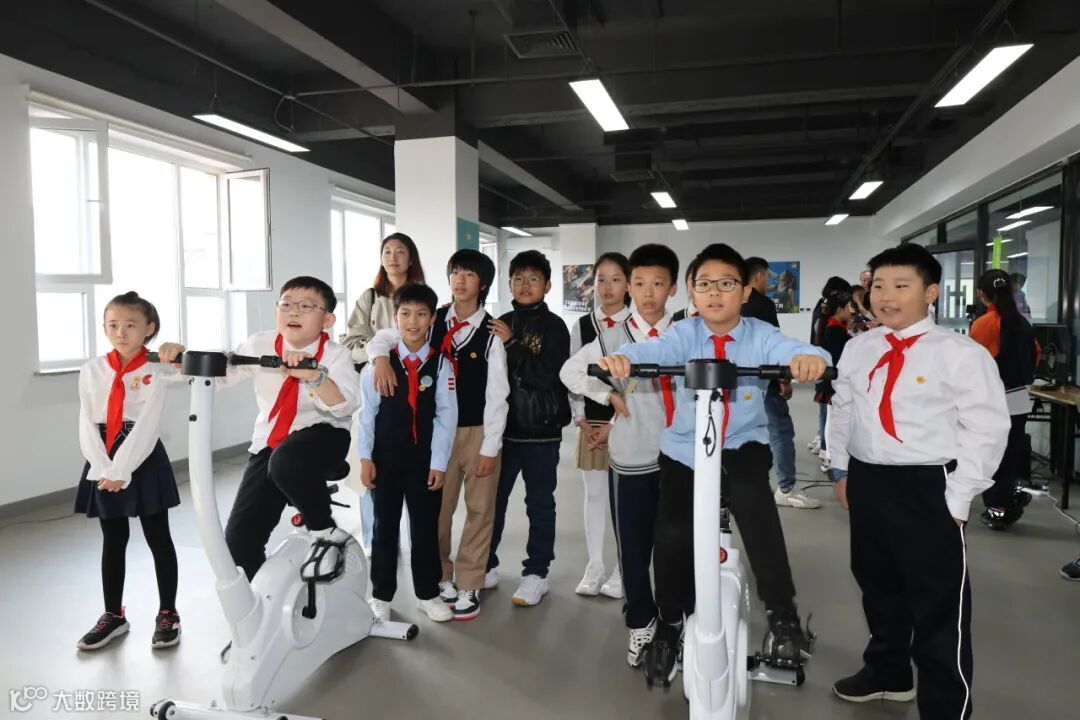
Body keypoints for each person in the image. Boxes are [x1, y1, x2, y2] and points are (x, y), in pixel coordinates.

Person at [599, 243, 829, 687]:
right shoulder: (684, 334)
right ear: (691, 291)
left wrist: (811, 360)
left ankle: (782, 615)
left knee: (758, 517)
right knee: (671, 533)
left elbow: (800, 349)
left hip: (742, 446)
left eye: (726, 284)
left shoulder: (761, 334)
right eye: (704, 284)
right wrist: (626, 360)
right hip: (686, 450)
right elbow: (655, 349)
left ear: (744, 292)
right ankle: (669, 622)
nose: (715, 293)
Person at [828, 244, 1009, 717]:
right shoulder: (859, 347)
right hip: (868, 479)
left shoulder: (960, 354)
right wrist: (841, 469)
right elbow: (843, 409)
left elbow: (988, 428)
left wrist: (960, 495)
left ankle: (946, 707)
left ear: (930, 293)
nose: (886, 297)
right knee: (877, 586)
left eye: (900, 286)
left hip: (929, 486)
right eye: (878, 286)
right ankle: (887, 673)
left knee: (937, 604)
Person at [365, 249, 509, 620]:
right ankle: (439, 578)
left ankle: (471, 581)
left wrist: (490, 446)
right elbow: (385, 336)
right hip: (432, 436)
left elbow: (498, 394)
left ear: (483, 283)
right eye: (455, 272)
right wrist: (379, 357)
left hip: (476, 430)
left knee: (479, 510)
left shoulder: (492, 333)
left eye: (469, 274)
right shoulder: (433, 318)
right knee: (435, 515)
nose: (460, 280)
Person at [561, 243, 678, 667]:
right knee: (633, 546)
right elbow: (569, 371)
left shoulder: (685, 333)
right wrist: (606, 394)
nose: (648, 293)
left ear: (673, 288)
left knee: (675, 544)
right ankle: (640, 622)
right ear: (631, 287)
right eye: (640, 284)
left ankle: (674, 622)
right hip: (631, 458)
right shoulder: (613, 336)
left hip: (679, 458)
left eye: (658, 284)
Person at [204, 277, 362, 582]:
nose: (294, 312)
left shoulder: (335, 354)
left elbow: (345, 405)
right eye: (286, 304)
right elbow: (221, 376)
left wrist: (315, 376)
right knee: (238, 544)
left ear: (327, 320)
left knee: (287, 459)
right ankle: (261, 603)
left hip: (324, 433)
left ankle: (326, 533)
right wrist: (179, 362)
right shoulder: (259, 344)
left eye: (306, 306)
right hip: (271, 442)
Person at [74, 292, 185, 651]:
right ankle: (113, 616)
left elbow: (149, 423)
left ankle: (168, 613)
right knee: (113, 538)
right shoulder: (92, 368)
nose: (121, 332)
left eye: (130, 325)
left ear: (149, 328)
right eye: (113, 325)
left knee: (158, 537)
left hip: (142, 454)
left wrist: (123, 468)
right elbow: (86, 421)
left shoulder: (158, 368)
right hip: (103, 455)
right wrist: (102, 467)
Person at [359, 283, 457, 624]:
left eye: (420, 314)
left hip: (423, 462)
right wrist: (365, 458)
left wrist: (439, 463)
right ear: (395, 318)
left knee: (425, 529)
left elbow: (446, 417)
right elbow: (366, 416)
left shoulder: (440, 365)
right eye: (405, 313)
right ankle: (381, 595)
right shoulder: (378, 366)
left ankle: (427, 593)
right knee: (383, 528)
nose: (412, 321)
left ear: (431, 319)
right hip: (385, 461)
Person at [486, 250, 571, 607]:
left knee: (539, 505)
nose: (524, 285)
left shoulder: (555, 327)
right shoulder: (500, 322)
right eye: (518, 279)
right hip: (503, 433)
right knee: (492, 503)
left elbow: (548, 376)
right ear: (509, 284)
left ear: (547, 285)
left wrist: (511, 344)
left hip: (541, 432)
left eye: (533, 279)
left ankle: (536, 573)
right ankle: (486, 565)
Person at [342, 232, 426, 553]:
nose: (393, 257)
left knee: (414, 463)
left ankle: (415, 541)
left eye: (400, 251)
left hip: (415, 382)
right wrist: (379, 355)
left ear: (410, 258)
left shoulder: (422, 294)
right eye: (387, 251)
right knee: (371, 460)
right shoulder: (370, 297)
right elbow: (350, 342)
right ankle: (373, 542)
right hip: (375, 383)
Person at [567, 253, 632, 598]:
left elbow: (639, 383)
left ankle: (624, 568)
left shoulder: (636, 324)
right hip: (591, 420)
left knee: (625, 499)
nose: (607, 287)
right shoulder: (582, 325)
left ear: (628, 284)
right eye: (601, 280)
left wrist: (617, 419)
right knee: (594, 495)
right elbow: (573, 372)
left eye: (615, 279)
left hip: (630, 420)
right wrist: (579, 417)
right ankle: (594, 565)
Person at [743, 257, 817, 509]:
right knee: (780, 432)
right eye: (767, 276)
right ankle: (786, 488)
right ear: (759, 275)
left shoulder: (734, 301)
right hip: (764, 381)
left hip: (737, 381)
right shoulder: (762, 304)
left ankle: (744, 486)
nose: (769, 281)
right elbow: (774, 346)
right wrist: (784, 379)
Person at [969, 269, 1040, 531]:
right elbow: (1036, 355)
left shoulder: (983, 324)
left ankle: (999, 507)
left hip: (992, 399)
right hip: (1019, 397)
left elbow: (972, 364)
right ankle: (1007, 501)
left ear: (981, 294)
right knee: (1010, 454)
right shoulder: (1022, 322)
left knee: (992, 456)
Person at [813, 291, 855, 474]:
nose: (852, 311)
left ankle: (829, 454)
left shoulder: (832, 327)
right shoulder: (835, 331)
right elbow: (839, 359)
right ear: (840, 309)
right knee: (833, 419)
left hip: (830, 381)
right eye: (849, 307)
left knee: (832, 418)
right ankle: (830, 457)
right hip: (833, 381)